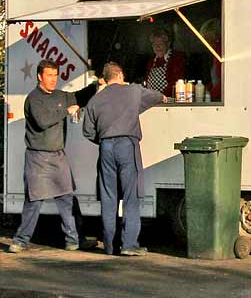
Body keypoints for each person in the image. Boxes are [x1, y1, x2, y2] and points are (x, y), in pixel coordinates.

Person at [83, 61, 166, 256]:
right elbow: (157, 96)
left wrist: (104, 141)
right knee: (131, 195)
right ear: (120, 75)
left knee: (108, 197)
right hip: (127, 146)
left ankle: (110, 246)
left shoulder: (95, 100)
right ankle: (129, 244)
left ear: (104, 79)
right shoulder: (133, 91)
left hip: (105, 147)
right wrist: (164, 97)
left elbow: (87, 131)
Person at [8, 59, 81, 253]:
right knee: (34, 201)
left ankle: (72, 239)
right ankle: (20, 241)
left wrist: (96, 86)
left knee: (66, 198)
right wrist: (66, 110)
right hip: (37, 157)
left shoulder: (61, 95)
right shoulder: (33, 98)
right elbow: (42, 121)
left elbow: (77, 97)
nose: (53, 79)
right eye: (49, 75)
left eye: (55, 75)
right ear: (40, 76)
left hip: (58, 155)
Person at [145, 27, 185, 97]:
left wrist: (162, 97)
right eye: (155, 44)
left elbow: (177, 82)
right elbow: (147, 82)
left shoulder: (176, 59)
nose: (157, 47)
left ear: (168, 44)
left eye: (160, 44)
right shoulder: (151, 61)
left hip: (169, 101)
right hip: (152, 100)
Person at [199, 18, 222, 101]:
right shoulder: (215, 52)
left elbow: (224, 82)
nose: (205, 43)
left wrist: (209, 95)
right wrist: (204, 89)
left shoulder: (221, 52)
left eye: (207, 38)